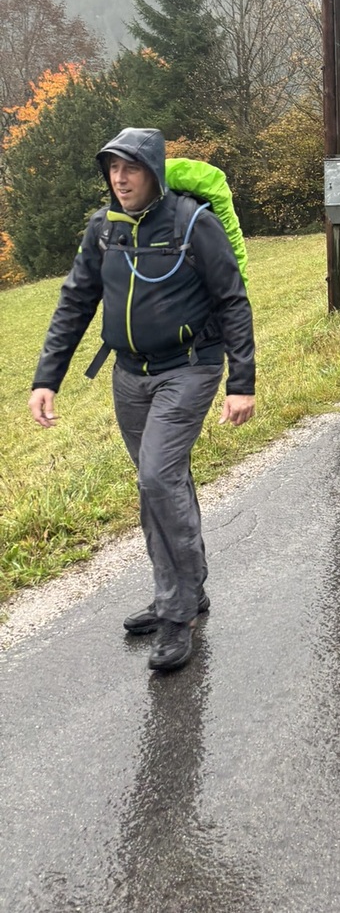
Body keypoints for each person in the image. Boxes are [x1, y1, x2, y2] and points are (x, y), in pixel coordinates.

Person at [27, 128, 256, 673]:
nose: (120, 178)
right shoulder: (104, 229)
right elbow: (75, 301)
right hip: (129, 375)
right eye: (112, 168)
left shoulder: (193, 224)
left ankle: (179, 613)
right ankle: (179, 589)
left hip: (190, 368)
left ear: (153, 171)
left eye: (130, 167)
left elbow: (232, 300)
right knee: (160, 484)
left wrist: (241, 382)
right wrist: (47, 377)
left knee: (157, 477)